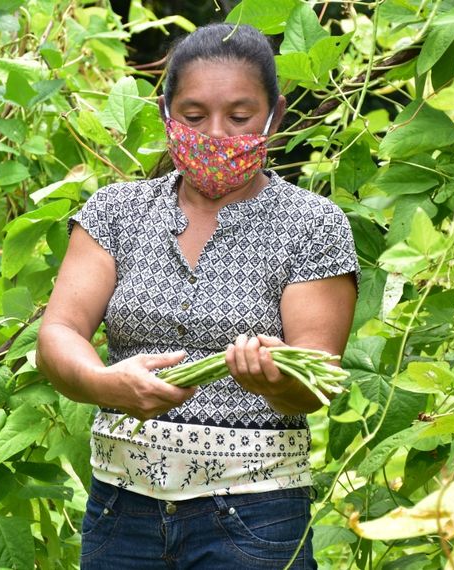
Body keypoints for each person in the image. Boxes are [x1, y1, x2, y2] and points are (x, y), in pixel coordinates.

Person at [36, 22, 359, 569]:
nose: (215, 133)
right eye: (192, 116)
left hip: (255, 517)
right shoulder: (116, 213)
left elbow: (317, 379)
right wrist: (104, 384)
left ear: (274, 116)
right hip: (121, 511)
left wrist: (277, 382)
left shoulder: (312, 224)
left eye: (239, 117)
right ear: (166, 115)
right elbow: (59, 333)